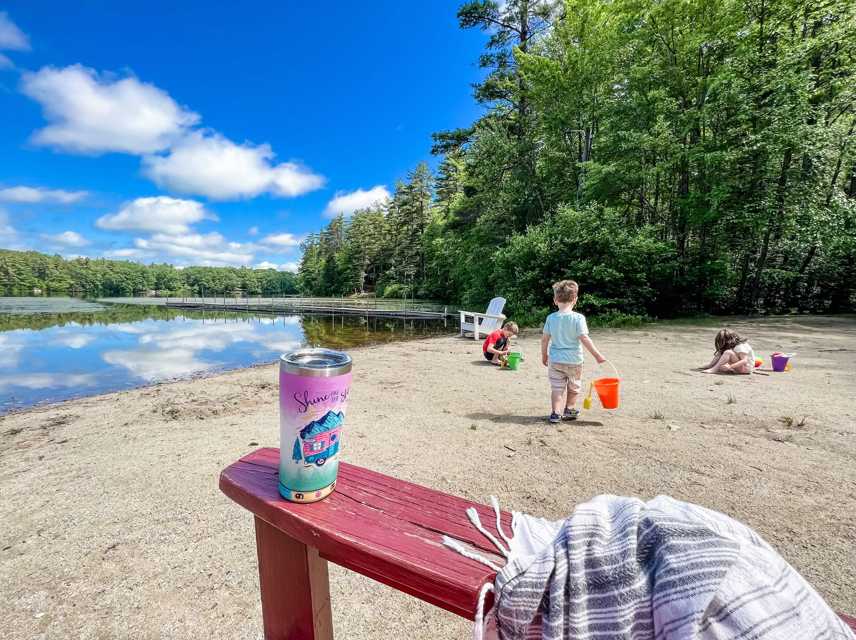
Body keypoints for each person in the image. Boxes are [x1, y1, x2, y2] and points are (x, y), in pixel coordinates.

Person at [541, 280, 606, 424]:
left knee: (557, 388)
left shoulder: (551, 318)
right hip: (574, 361)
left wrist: (544, 356)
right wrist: (597, 355)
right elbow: (584, 338)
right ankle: (569, 409)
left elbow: (545, 339)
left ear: (555, 300)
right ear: (575, 300)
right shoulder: (578, 318)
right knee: (574, 386)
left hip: (556, 360)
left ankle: (555, 414)